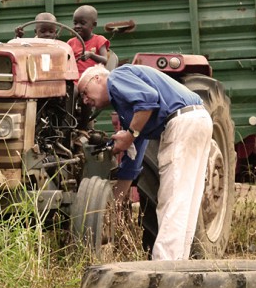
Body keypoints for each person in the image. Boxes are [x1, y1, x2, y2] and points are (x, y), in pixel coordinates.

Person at [77, 64, 213, 261]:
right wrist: (115, 203)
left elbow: (148, 100)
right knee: (186, 200)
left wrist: (130, 135)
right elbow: (134, 156)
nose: (85, 100)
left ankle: (164, 266)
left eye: (84, 92)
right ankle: (179, 262)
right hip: (198, 118)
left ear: (97, 78)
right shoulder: (130, 112)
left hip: (182, 123)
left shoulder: (116, 77)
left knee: (172, 198)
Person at [67, 5, 109, 77]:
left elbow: (105, 60)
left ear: (93, 24)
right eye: (75, 23)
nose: (77, 26)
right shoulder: (70, 43)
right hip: (74, 78)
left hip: (93, 78)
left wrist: (91, 55)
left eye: (82, 23)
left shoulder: (99, 40)